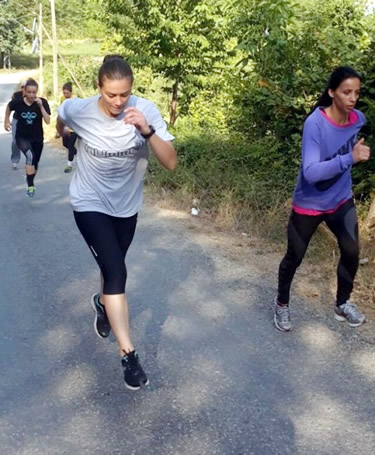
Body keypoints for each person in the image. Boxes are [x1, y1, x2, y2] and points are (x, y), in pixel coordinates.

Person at [56, 55, 177, 390]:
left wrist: (147, 131)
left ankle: (101, 303)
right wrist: (64, 135)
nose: (117, 101)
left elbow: (170, 163)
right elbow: (61, 117)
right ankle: (129, 355)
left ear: (131, 90)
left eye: (124, 94)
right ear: (100, 88)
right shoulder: (80, 109)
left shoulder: (145, 111)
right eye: (111, 94)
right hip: (88, 202)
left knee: (112, 268)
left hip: (126, 207)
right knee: (117, 272)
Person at [274, 66, 370, 332]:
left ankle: (342, 303)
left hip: (340, 199)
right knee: (295, 256)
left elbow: (347, 152)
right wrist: (350, 158)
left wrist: (353, 154)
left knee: (351, 250)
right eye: (346, 92)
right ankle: (281, 304)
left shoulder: (358, 119)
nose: (353, 98)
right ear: (332, 93)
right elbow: (311, 172)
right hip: (310, 204)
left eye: (357, 93)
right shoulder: (315, 123)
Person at [4, 78, 51, 197]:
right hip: (22, 137)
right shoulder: (18, 102)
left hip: (37, 138)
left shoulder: (42, 102)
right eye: (29, 92)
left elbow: (48, 121)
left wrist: (41, 107)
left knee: (35, 163)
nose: (31, 95)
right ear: (24, 91)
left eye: (34, 92)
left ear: (37, 91)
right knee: (30, 156)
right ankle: (30, 186)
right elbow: (9, 107)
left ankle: (30, 178)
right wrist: (6, 121)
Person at [3, 80, 26, 170]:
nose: (24, 89)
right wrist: (6, 121)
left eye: (25, 87)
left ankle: (31, 160)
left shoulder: (32, 95)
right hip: (17, 120)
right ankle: (15, 160)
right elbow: (10, 107)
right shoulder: (16, 96)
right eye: (23, 87)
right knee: (15, 142)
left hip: (28, 121)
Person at [59, 82, 78, 173]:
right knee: (65, 144)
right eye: (64, 93)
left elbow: (75, 114)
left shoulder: (75, 100)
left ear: (71, 92)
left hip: (73, 127)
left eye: (67, 93)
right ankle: (78, 154)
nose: (66, 95)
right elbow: (61, 111)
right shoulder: (62, 99)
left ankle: (69, 165)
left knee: (70, 145)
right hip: (65, 126)